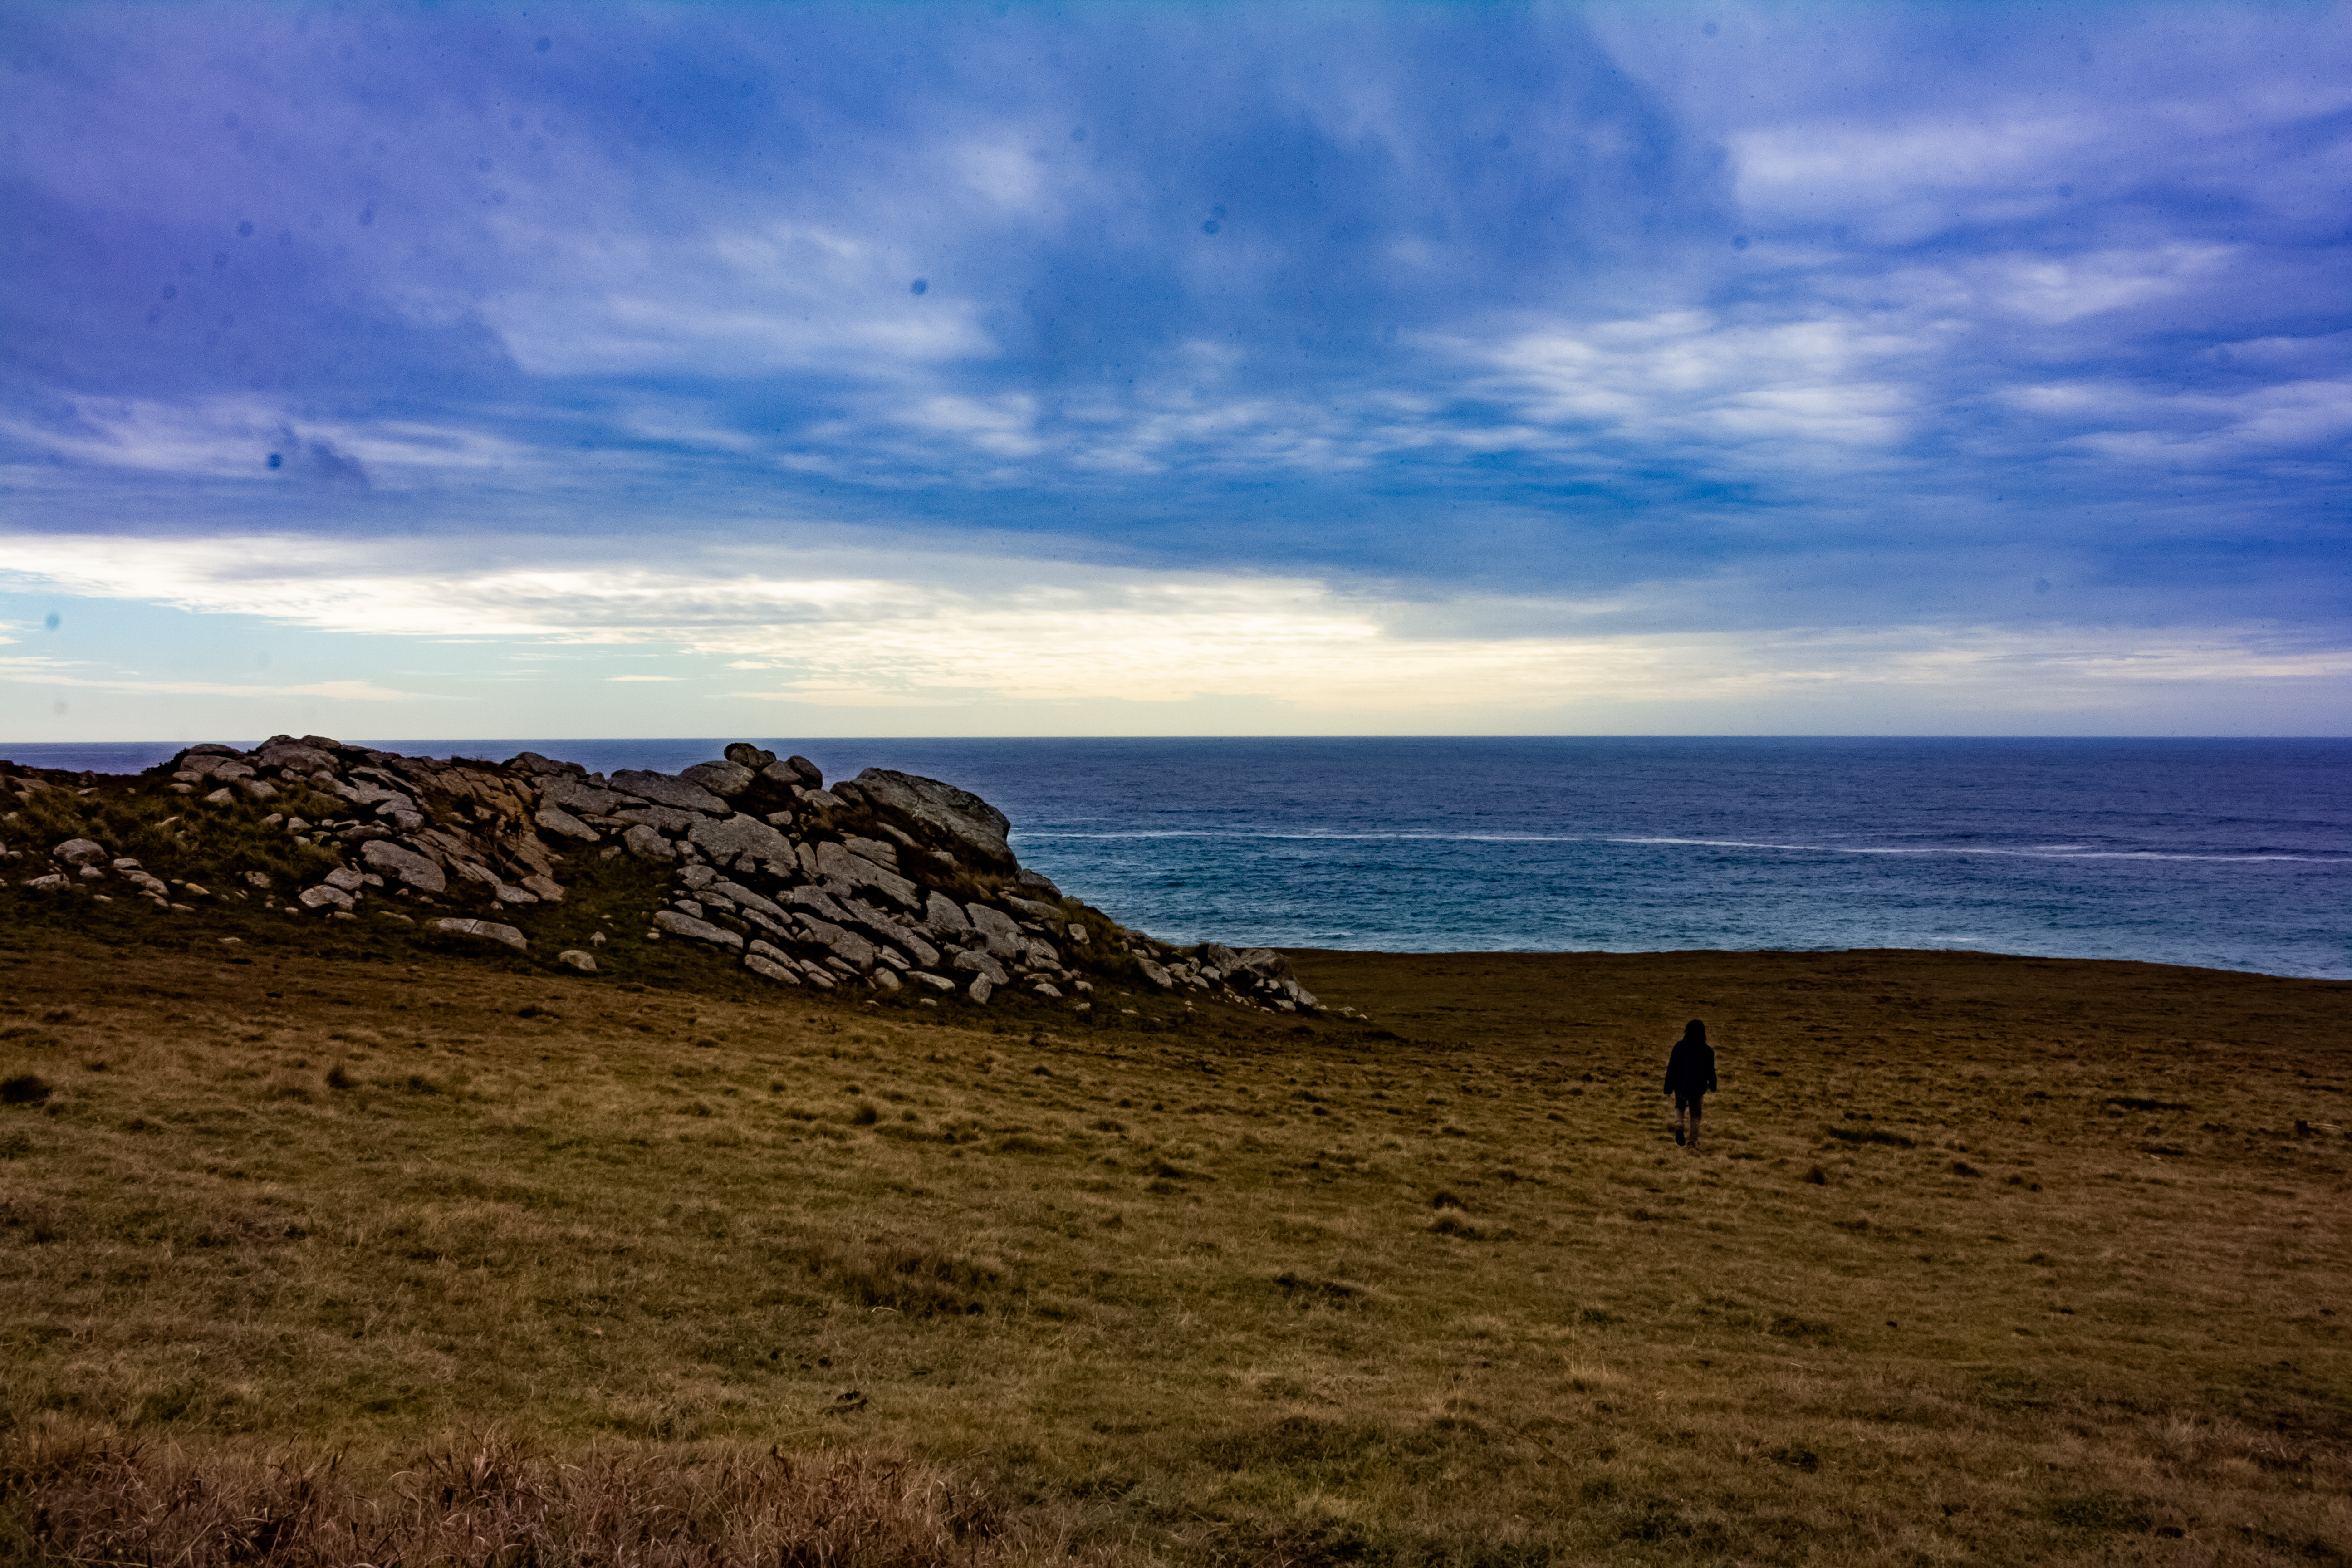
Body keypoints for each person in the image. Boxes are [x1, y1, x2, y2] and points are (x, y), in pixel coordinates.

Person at [1663, 1019, 1717, 1153]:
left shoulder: (1679, 1046)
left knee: (1680, 1106)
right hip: (1697, 1088)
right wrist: (1714, 1085)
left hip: (1680, 1084)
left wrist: (1668, 1087)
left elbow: (1672, 1068)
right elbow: (1711, 1071)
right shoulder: (1708, 1051)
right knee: (1695, 1115)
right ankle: (1693, 1143)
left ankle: (1679, 1126)